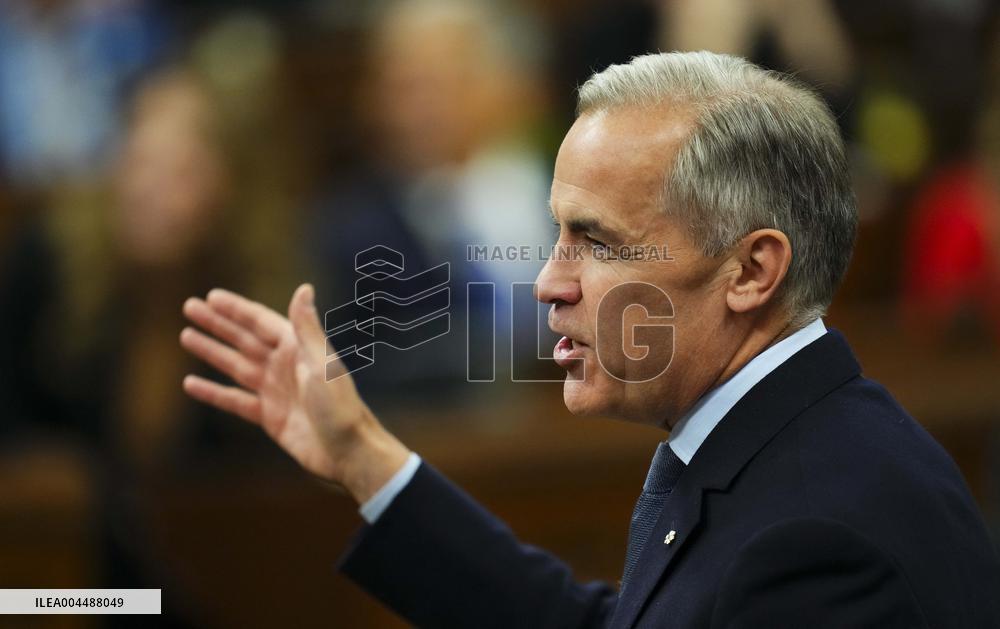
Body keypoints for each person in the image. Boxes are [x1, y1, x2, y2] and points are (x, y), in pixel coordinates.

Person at [179, 52, 1000, 628]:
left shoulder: (816, 541)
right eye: (556, 234)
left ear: (751, 270)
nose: (549, 281)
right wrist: (360, 452)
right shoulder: (783, 439)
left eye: (597, 242)